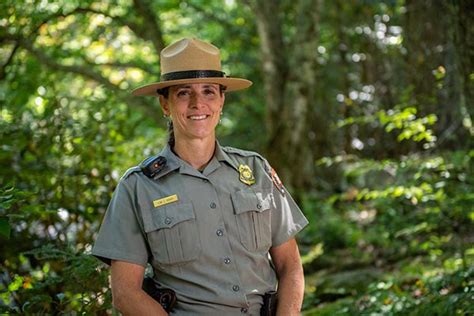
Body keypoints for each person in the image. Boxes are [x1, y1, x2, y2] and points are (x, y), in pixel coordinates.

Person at [92, 37, 309, 315]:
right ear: (165, 105)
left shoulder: (256, 170)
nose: (198, 103)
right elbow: (125, 293)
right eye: (183, 93)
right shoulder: (138, 187)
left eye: (208, 91)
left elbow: (290, 266)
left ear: (221, 100)